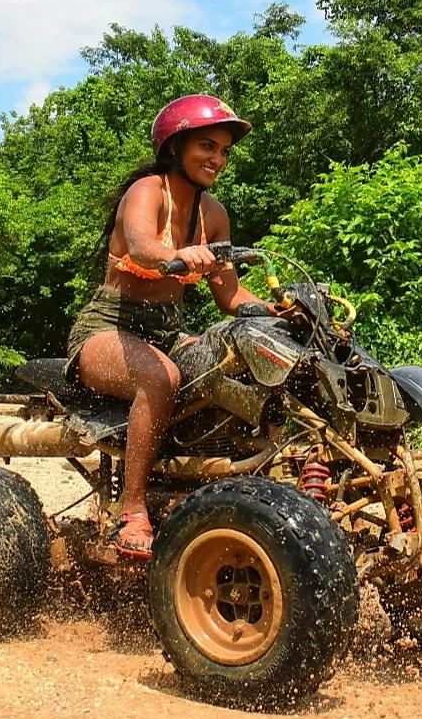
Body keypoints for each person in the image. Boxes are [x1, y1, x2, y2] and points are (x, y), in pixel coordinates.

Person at [65, 94, 275, 558]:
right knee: (162, 379)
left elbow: (230, 296)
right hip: (108, 327)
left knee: (231, 364)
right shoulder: (146, 192)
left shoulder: (213, 215)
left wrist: (278, 311)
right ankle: (133, 510)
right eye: (207, 146)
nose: (217, 159)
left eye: (224, 151)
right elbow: (141, 247)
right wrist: (176, 257)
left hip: (166, 331)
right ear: (175, 147)